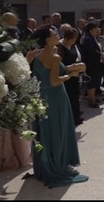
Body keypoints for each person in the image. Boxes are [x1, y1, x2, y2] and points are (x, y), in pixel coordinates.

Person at [29, 26, 89, 187]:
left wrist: (74, 67)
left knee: (46, 131)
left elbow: (48, 74)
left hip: (42, 96)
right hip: (56, 97)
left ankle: (44, 164)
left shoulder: (38, 54)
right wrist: (71, 75)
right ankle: (59, 165)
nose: (58, 36)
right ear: (48, 39)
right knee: (59, 131)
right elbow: (55, 80)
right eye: (55, 34)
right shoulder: (54, 56)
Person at [56, 25, 86, 125]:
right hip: (66, 76)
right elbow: (58, 65)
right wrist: (72, 68)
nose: (74, 41)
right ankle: (69, 119)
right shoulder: (60, 47)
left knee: (75, 97)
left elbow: (75, 56)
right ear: (67, 38)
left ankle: (76, 117)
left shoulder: (72, 45)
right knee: (68, 98)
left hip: (75, 76)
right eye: (73, 39)